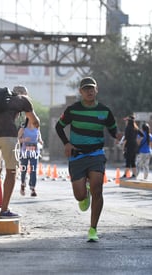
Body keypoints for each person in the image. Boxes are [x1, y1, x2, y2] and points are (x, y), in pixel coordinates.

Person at [55, 76, 122, 242]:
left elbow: (114, 131)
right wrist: (67, 143)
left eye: (92, 88)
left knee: (97, 189)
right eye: (86, 89)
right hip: (77, 155)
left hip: (96, 154)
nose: (89, 91)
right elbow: (59, 126)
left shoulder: (105, 111)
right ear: (80, 92)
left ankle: (93, 229)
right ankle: (84, 194)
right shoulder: (73, 110)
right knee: (79, 196)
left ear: (96, 90)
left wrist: (119, 136)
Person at [0, 87, 39, 220]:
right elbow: (35, 121)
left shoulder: (2, 100)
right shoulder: (23, 100)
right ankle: (4, 210)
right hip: (8, 135)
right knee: (11, 171)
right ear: (25, 94)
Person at [18, 118, 44, 197]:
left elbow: (40, 139)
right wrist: (24, 139)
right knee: (24, 169)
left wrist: (40, 141)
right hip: (24, 152)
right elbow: (18, 140)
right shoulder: (23, 129)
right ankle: (23, 184)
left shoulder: (37, 129)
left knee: (33, 170)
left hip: (34, 152)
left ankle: (33, 188)